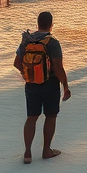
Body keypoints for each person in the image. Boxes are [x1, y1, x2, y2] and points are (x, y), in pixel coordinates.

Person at [13, 10, 70, 164]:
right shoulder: (52, 42)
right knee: (50, 116)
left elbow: (16, 63)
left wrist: (28, 74)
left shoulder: (26, 41)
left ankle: (27, 153)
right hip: (50, 84)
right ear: (51, 24)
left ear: (37, 24)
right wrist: (65, 86)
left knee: (31, 117)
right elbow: (58, 67)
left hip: (31, 84)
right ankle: (46, 151)